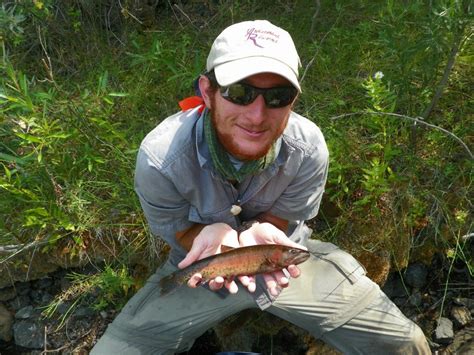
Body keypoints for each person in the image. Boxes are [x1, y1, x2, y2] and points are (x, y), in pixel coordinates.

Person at [91, 20, 430, 354]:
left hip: (287, 262)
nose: (256, 115)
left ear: (293, 101)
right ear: (207, 92)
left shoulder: (309, 148)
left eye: (278, 96)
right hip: (199, 270)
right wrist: (207, 238)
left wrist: (263, 229)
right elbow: (179, 230)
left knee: (406, 344)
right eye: (240, 92)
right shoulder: (159, 159)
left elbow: (281, 220)